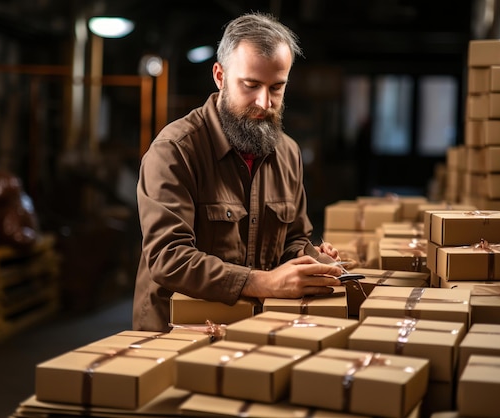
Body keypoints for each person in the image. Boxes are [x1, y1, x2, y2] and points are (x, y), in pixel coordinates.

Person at [133, 12, 344, 332]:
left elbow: (292, 237)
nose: (264, 101)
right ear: (219, 76)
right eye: (251, 85)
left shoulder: (287, 153)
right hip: (176, 332)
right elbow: (169, 258)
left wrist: (309, 260)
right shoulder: (175, 151)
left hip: (251, 327)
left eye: (277, 87)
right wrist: (264, 282)